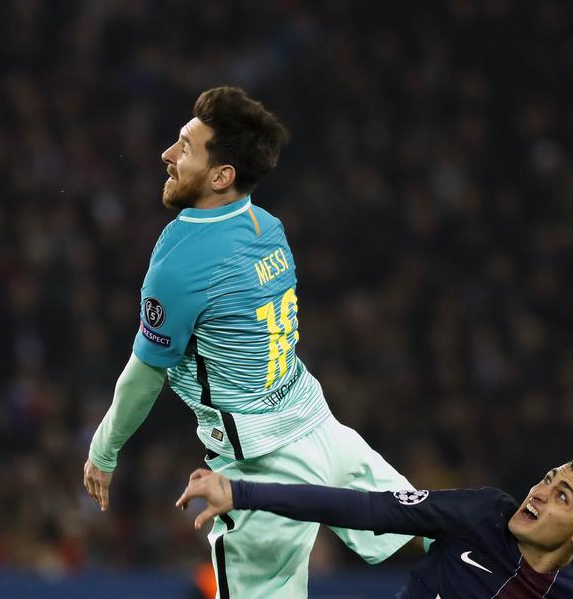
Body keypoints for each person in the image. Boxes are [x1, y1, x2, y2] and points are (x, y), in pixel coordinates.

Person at [81, 86, 414, 598]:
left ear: (221, 176)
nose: (167, 156)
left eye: (185, 148)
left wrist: (104, 451)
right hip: (328, 436)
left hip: (267, 464)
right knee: (445, 551)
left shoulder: (181, 257)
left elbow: (145, 375)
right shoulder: (268, 226)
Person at [177, 450, 573, 598]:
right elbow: (365, 509)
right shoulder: (482, 514)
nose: (539, 491)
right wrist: (241, 492)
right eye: (547, 478)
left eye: (562, 496)